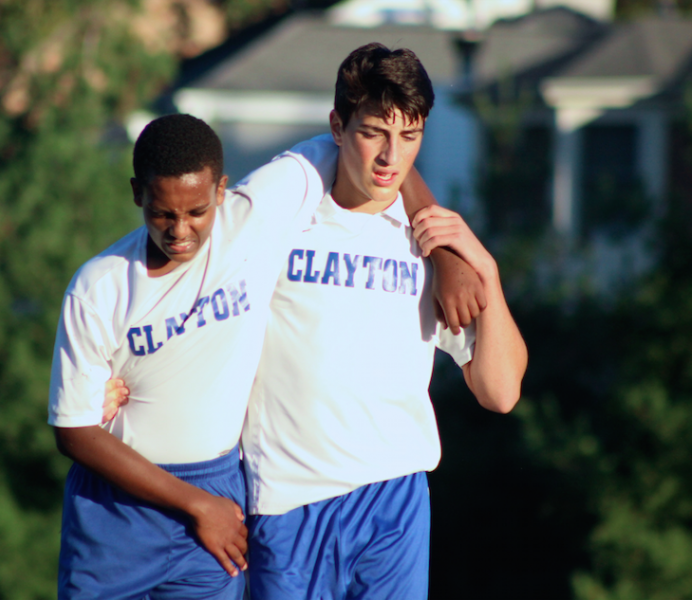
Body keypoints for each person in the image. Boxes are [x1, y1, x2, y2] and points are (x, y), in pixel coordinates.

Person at [50, 113, 480, 597]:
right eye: (161, 213)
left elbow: (382, 156)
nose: (179, 231)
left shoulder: (252, 223)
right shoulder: (99, 286)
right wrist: (196, 504)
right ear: (138, 194)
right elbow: (73, 431)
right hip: (117, 513)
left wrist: (444, 253)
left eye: (196, 211)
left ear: (221, 192)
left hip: (216, 497)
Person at [241, 44, 529, 599]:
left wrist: (485, 271)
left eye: (409, 137)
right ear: (338, 126)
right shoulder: (290, 199)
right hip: (288, 502)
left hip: (392, 502)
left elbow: (501, 392)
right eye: (374, 132)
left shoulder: (432, 238)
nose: (390, 157)